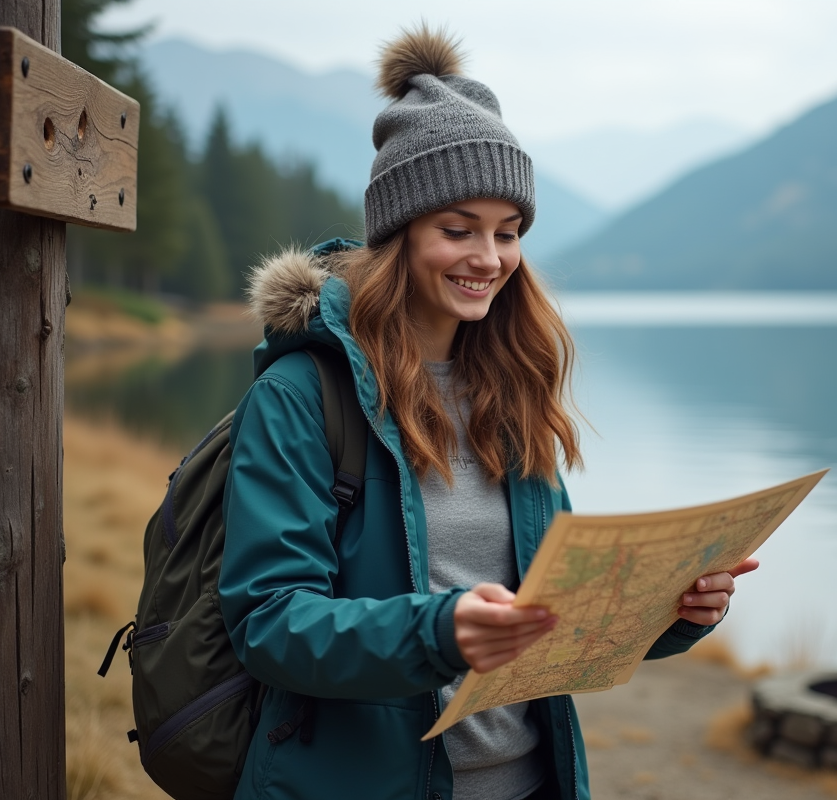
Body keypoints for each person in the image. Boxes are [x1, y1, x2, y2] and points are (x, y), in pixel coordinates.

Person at [219, 24, 759, 800]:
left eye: (508, 233)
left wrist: (674, 611)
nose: (490, 258)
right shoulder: (304, 394)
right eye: (458, 229)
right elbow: (269, 623)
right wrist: (439, 632)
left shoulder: (512, 390)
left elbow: (553, 613)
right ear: (397, 233)